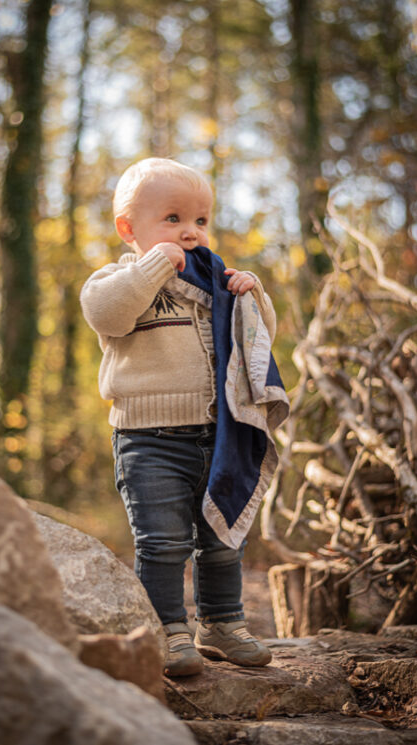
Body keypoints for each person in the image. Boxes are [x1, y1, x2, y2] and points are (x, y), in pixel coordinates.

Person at [81, 157, 276, 676]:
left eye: (200, 220)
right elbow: (107, 314)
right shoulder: (117, 280)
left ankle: (222, 622)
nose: (190, 232)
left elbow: (259, 341)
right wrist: (153, 266)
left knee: (222, 535)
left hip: (218, 432)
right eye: (172, 219)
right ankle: (167, 630)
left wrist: (251, 293)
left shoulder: (216, 283)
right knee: (163, 542)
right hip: (148, 440)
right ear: (129, 228)